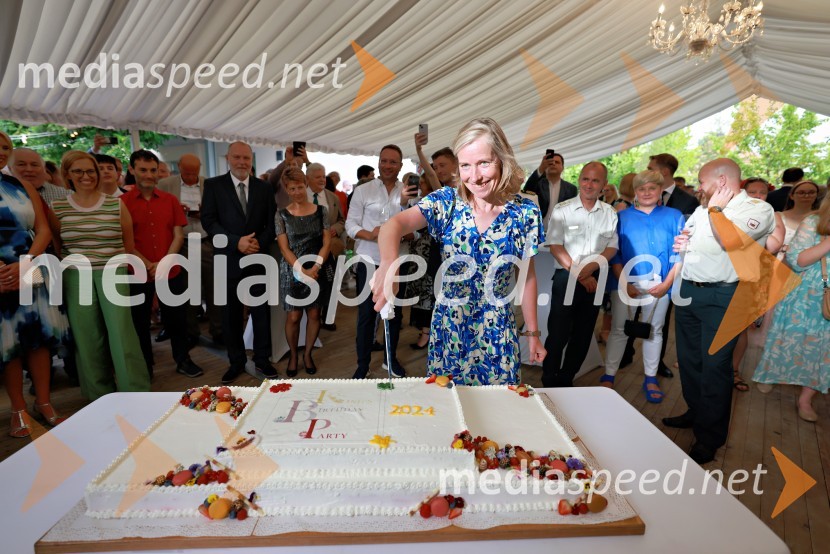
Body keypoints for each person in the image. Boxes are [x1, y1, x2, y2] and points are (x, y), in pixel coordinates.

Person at [373, 118, 546, 385]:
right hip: (450, 327)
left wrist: (533, 333)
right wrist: (388, 263)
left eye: (484, 163)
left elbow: (527, 276)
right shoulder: (446, 202)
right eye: (465, 165)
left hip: (497, 330)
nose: (474, 176)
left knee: (498, 413)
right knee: (449, 412)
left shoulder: (525, 211)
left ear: (502, 159)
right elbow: (393, 225)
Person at [663, 158, 775, 465]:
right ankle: (696, 413)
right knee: (689, 361)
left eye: (702, 181)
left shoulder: (757, 209)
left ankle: (709, 437)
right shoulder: (700, 210)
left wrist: (715, 210)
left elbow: (731, 241)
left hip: (725, 296)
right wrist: (682, 244)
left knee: (715, 368)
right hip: (689, 292)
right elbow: (688, 245)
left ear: (722, 181)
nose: (699, 187)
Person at [51, 151, 150, 400]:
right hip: (77, 276)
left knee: (122, 334)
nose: (86, 176)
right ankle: (98, 396)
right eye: (78, 171)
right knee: (87, 338)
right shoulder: (58, 207)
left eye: (90, 171)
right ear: (67, 175)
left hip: (112, 271)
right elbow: (57, 245)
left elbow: (128, 245)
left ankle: (135, 392)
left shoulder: (115, 204)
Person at [0, 132, 70, 437]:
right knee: (9, 342)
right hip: (1, 272)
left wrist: (27, 260)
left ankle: (45, 402)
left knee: (39, 335)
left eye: (5, 147)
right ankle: (18, 408)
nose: (1, 152)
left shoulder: (23, 186)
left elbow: (42, 228)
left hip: (31, 264)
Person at [599, 170, 684, 403]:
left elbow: (680, 254)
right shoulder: (622, 218)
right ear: (635, 192)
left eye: (651, 188)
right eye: (641, 188)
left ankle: (650, 377)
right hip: (625, 283)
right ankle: (609, 374)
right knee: (618, 329)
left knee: (654, 331)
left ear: (660, 191)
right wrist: (624, 282)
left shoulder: (674, 216)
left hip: (660, 284)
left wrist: (666, 284)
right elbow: (614, 254)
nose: (646, 192)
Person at [121, 150, 203, 379]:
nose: (149, 175)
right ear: (132, 170)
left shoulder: (170, 200)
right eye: (143, 170)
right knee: (139, 322)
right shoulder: (122, 204)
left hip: (171, 269)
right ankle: (144, 365)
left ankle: (183, 359)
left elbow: (178, 234)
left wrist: (165, 261)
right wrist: (148, 263)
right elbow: (124, 240)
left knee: (177, 319)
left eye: (153, 170)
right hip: (137, 271)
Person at [201, 142, 277, 384]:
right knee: (230, 315)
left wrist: (257, 245)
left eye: (246, 157)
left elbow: (271, 223)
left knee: (261, 313)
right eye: (237, 157)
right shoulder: (213, 186)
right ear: (228, 158)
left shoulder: (264, 188)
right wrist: (236, 243)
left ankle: (263, 360)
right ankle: (236, 362)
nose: (242, 162)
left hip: (258, 259)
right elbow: (209, 222)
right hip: (228, 259)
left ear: (251, 159)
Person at [752, 194, 830, 421]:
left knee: (824, 351)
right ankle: (769, 375)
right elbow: (797, 260)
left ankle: (806, 399)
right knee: (787, 339)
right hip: (805, 296)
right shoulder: (814, 222)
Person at [543, 162, 618, 387]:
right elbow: (555, 246)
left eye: (595, 180)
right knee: (557, 334)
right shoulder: (562, 209)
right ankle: (548, 381)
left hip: (596, 278)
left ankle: (566, 380)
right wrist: (581, 274)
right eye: (586, 179)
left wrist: (591, 270)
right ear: (579, 180)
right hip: (567, 277)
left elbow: (612, 248)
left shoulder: (610, 213)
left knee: (583, 335)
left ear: (604, 185)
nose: (589, 184)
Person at [346, 144, 415, 379]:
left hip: (398, 260)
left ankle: (389, 359)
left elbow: (418, 227)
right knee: (367, 314)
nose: (387, 165)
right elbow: (350, 225)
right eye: (384, 161)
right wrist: (375, 234)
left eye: (393, 162)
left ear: (400, 165)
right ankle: (362, 364)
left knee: (394, 313)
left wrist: (405, 231)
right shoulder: (363, 190)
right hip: (369, 259)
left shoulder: (409, 191)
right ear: (378, 163)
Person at [157, 154, 221, 345]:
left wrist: (206, 214)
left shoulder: (209, 184)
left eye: (195, 172)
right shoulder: (166, 185)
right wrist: (177, 211)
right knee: (188, 288)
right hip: (182, 241)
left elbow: (219, 212)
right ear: (179, 167)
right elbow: (161, 212)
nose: (192, 176)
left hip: (206, 239)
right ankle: (191, 332)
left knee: (215, 288)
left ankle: (218, 330)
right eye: (187, 172)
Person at [646, 153, 700, 378]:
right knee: (632, 312)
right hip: (641, 265)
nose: (646, 171)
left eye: (651, 168)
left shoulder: (688, 201)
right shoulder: (644, 193)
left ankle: (657, 363)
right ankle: (626, 353)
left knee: (663, 317)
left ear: (664, 172)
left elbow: (690, 237)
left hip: (673, 268)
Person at [275, 167, 331, 376]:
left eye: (300, 187)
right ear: (286, 190)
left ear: (305, 185)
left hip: (317, 268)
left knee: (315, 313)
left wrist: (315, 267)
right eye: (292, 188)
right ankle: (293, 355)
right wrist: (301, 270)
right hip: (292, 270)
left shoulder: (321, 211)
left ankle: (307, 354)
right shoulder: (281, 215)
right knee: (293, 317)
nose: (297, 192)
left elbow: (326, 242)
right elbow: (284, 248)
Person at [306, 163, 345, 331]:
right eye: (318, 177)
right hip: (306, 250)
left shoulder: (333, 197)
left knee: (330, 283)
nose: (322, 180)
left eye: (323, 176)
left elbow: (341, 221)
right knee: (310, 284)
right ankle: (309, 319)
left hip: (329, 250)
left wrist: (334, 230)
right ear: (308, 179)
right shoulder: (300, 195)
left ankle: (328, 318)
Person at [523, 150, 577, 228]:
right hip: (538, 231)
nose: (553, 164)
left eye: (557, 162)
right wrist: (541, 168)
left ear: (562, 168)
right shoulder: (537, 184)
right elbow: (526, 191)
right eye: (550, 162)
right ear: (545, 167)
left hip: (561, 231)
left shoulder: (571, 189)